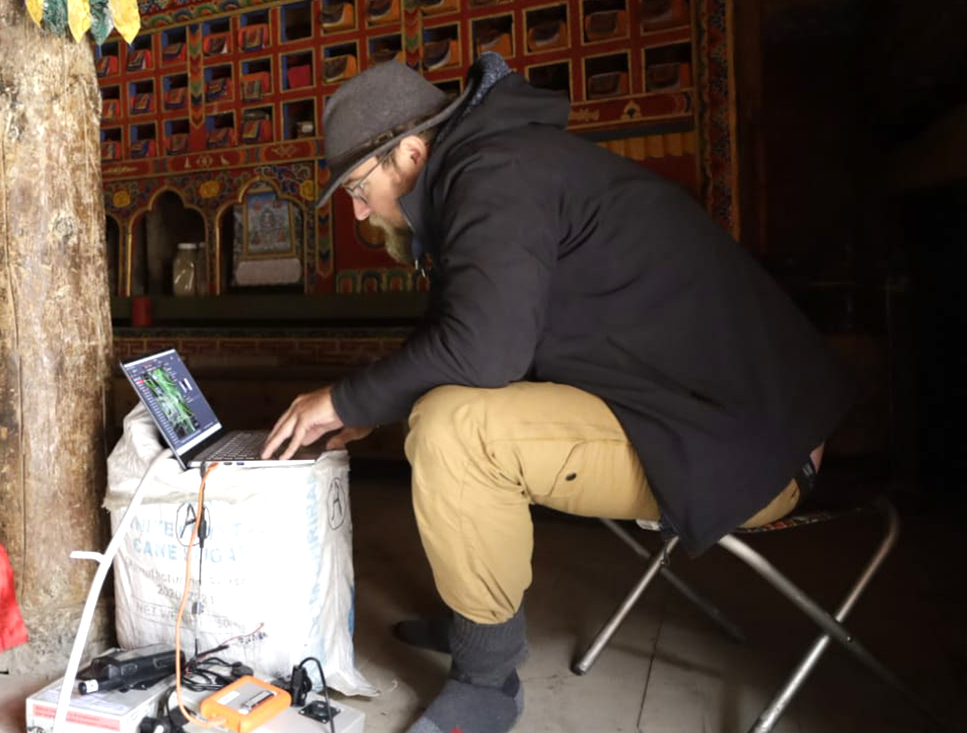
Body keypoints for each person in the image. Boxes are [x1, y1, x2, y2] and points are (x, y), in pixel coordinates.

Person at [261, 54, 856, 733]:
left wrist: (341, 400)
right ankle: (475, 622)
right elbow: (466, 326)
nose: (361, 212)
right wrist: (367, 408)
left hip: (748, 446)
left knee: (453, 427)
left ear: (412, 153)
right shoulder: (494, 163)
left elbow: (484, 351)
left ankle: (486, 683)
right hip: (721, 421)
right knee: (435, 405)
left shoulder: (493, 173)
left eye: (360, 188)